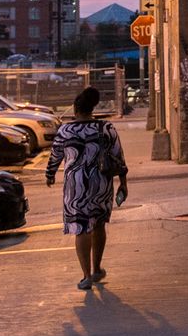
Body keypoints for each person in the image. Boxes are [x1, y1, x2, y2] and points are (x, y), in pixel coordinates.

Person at [46, 85, 128, 290]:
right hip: (101, 182)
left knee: (81, 227)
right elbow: (118, 157)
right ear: (92, 108)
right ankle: (97, 269)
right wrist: (123, 183)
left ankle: (86, 276)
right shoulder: (106, 128)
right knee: (99, 224)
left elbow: (55, 156)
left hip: (75, 186)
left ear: (75, 109)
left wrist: (50, 174)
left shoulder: (65, 130)